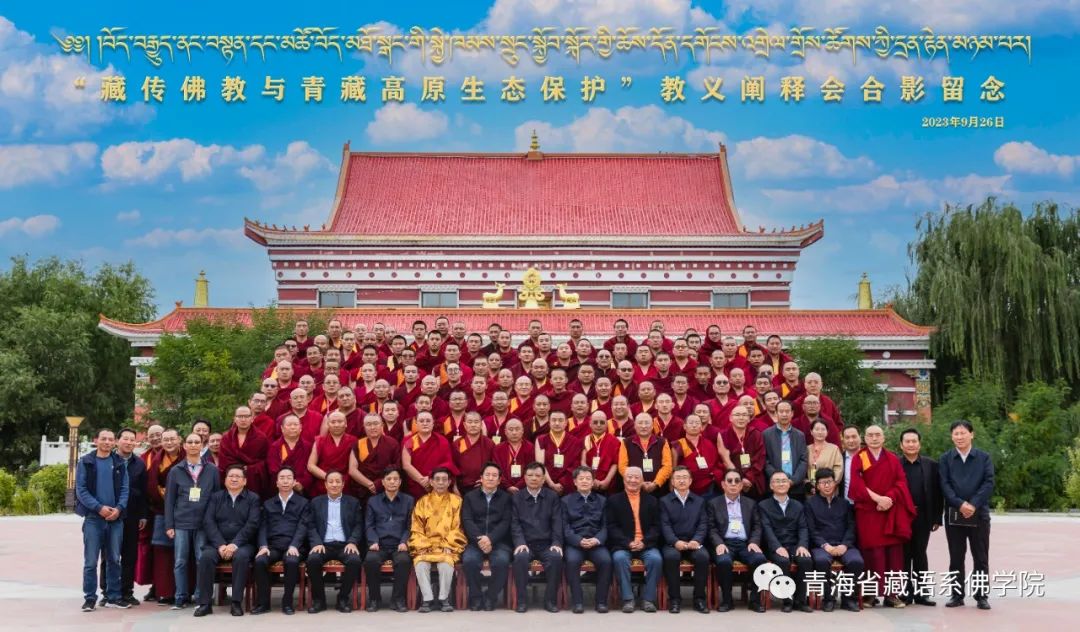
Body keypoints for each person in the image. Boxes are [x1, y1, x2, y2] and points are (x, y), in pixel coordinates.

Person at [847, 424, 916, 608]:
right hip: (868, 511)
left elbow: (901, 482)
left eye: (878, 434)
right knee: (871, 553)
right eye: (870, 435)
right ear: (865, 438)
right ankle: (869, 594)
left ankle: (892, 595)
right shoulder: (860, 457)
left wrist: (889, 498)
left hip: (889, 511)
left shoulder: (892, 458)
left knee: (893, 555)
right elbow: (857, 483)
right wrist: (878, 499)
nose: (874, 438)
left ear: (883, 438)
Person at [939, 420, 994, 610]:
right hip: (954, 514)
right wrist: (960, 503)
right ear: (951, 436)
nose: (959, 437)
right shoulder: (946, 459)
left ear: (972, 434)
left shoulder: (983, 457)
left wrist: (973, 504)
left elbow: (988, 482)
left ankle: (981, 596)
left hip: (979, 514)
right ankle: (957, 595)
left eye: (963, 433)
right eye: (956, 433)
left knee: (980, 557)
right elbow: (944, 484)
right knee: (956, 556)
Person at [193, 464, 261, 617]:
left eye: (238, 477)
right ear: (225, 480)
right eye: (231, 476)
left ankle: (236, 602)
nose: (234, 479)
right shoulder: (216, 497)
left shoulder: (253, 498)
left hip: (243, 544)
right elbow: (208, 522)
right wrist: (220, 544)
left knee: (241, 557)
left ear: (245, 481)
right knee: (206, 557)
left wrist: (234, 544)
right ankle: (205, 604)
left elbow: (252, 524)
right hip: (218, 543)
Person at [164, 433, 220, 609]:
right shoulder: (176, 470)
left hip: (204, 523)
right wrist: (169, 524)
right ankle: (180, 597)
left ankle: (200, 596)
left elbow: (217, 497)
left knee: (201, 560)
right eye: (190, 442)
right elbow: (169, 500)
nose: (194, 445)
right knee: (180, 561)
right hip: (181, 522)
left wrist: (214, 523)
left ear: (202, 445)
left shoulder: (212, 470)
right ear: (185, 446)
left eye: (197, 442)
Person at [76, 429, 130, 612]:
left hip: (115, 519)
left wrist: (119, 509)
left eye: (110, 439)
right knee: (91, 561)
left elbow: (125, 489)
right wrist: (99, 508)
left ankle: (113, 596)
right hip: (93, 518)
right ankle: (90, 598)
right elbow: (81, 490)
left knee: (114, 559)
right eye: (103, 439)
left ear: (114, 442)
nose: (107, 442)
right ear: (96, 440)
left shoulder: (119, 463)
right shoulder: (86, 462)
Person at [707, 469, 767, 613]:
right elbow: (711, 527)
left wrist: (754, 541)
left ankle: (755, 600)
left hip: (746, 543)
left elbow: (757, 526)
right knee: (723, 561)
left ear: (741, 485)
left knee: (759, 559)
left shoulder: (751, 503)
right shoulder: (713, 503)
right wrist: (719, 543)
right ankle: (727, 600)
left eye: (737, 481)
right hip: (725, 543)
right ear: (723, 484)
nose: (733, 484)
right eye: (729, 481)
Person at [253, 467, 311, 615]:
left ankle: (287, 603)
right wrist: (263, 546)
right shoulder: (268, 504)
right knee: (260, 560)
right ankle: (263, 603)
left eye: (289, 478)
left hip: (294, 546)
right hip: (272, 546)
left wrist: (294, 545)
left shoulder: (303, 503)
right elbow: (262, 527)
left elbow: (303, 527)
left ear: (294, 482)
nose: (285, 481)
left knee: (291, 561)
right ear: (277, 483)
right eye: (282, 478)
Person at [408, 467, 467, 612]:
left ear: (449, 482)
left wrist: (449, 545)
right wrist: (423, 546)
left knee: (446, 563)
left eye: (444, 480)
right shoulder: (422, 502)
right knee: (420, 563)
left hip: (447, 546)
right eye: (437, 479)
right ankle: (427, 599)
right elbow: (416, 527)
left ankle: (443, 599)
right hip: (426, 546)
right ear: (431, 482)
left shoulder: (457, 501)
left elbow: (458, 528)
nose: (441, 483)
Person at [804, 469, 863, 612]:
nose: (827, 485)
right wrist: (825, 546)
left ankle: (849, 599)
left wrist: (845, 545)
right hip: (822, 546)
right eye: (823, 483)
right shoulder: (810, 504)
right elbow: (812, 530)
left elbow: (851, 527)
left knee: (856, 561)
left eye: (829, 482)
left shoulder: (844, 503)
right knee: (821, 561)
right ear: (817, 486)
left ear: (835, 483)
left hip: (844, 544)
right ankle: (828, 599)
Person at [306, 470, 364, 613]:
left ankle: (342, 598)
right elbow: (310, 525)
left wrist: (352, 541)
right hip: (323, 545)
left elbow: (359, 525)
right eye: (331, 481)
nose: (334, 484)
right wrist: (317, 543)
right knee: (312, 560)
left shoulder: (353, 502)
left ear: (343, 484)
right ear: (325, 484)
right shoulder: (316, 502)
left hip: (345, 545)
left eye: (338, 481)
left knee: (354, 561)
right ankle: (319, 600)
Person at [606, 466, 662, 613]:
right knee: (619, 559)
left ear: (642, 480)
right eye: (629, 477)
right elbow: (612, 527)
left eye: (637, 477)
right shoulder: (614, 500)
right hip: (623, 545)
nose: (633, 480)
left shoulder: (652, 500)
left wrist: (644, 542)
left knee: (656, 559)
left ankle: (648, 599)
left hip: (646, 544)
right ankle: (628, 599)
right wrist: (628, 542)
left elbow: (656, 527)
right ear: (624, 480)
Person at [100, 428, 145, 608]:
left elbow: (143, 491)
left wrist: (143, 515)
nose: (128, 442)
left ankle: (126, 592)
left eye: (132, 440)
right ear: (117, 441)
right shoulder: (108, 460)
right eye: (125, 439)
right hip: (111, 514)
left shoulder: (139, 464)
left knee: (129, 555)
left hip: (131, 515)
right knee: (109, 555)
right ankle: (107, 592)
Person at [510, 462, 564, 613]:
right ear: (525, 477)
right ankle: (521, 601)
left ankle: (550, 601)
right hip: (526, 543)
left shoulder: (552, 497)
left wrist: (556, 543)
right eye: (530, 475)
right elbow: (514, 524)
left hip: (547, 544)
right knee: (520, 557)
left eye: (538, 475)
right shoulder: (517, 497)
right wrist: (520, 542)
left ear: (543, 479)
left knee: (555, 557)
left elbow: (557, 522)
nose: (534, 478)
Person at [757, 472, 814, 613]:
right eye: (777, 481)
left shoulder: (798, 505)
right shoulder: (763, 505)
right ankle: (787, 600)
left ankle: (800, 601)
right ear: (771, 486)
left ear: (789, 484)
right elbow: (766, 528)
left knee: (806, 560)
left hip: (794, 545)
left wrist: (802, 545)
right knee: (782, 561)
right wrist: (777, 547)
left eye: (784, 481)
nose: (781, 483)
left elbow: (803, 527)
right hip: (774, 546)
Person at [899, 427, 943, 606]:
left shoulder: (930, 464)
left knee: (920, 553)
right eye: (907, 441)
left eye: (914, 441)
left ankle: (922, 594)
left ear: (919, 444)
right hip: (901, 517)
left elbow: (938, 492)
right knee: (903, 555)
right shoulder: (895, 464)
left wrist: (937, 518)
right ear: (901, 445)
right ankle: (904, 593)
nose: (911, 444)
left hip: (923, 516)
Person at [461, 463, 513, 611]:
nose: (490, 478)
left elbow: (506, 522)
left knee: (502, 561)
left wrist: (490, 539)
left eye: (494, 476)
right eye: (487, 475)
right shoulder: (470, 497)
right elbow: (467, 520)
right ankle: (476, 597)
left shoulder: (506, 498)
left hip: (499, 541)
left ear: (499, 480)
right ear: (481, 478)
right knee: (469, 561)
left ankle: (491, 597)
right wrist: (480, 539)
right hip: (475, 541)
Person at [362, 468, 414, 613]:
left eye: (395, 479)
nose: (392, 482)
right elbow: (369, 525)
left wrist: (404, 541)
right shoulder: (373, 501)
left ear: (400, 482)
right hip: (379, 544)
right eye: (389, 479)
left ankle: (398, 599)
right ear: (383, 482)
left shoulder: (409, 501)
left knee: (404, 561)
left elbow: (410, 526)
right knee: (371, 560)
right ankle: (374, 599)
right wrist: (373, 541)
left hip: (399, 544)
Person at [659, 466, 710, 613]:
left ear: (691, 481)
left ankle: (699, 599)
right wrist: (675, 542)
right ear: (672, 481)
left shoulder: (699, 501)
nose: (681, 481)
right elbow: (665, 525)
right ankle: (675, 599)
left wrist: (697, 540)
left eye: (684, 477)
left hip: (694, 542)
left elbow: (703, 523)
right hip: (673, 543)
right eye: (678, 478)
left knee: (703, 557)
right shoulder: (664, 501)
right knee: (671, 557)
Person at [562, 466, 612, 614]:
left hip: (596, 543)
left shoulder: (602, 501)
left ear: (593, 482)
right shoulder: (565, 501)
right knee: (572, 561)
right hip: (575, 543)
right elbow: (564, 526)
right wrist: (578, 540)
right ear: (575, 482)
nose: (584, 481)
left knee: (606, 561)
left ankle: (601, 602)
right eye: (581, 479)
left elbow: (606, 526)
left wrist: (597, 539)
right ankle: (577, 602)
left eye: (588, 479)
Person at [218, 406, 270, 499]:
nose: (243, 419)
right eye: (240, 416)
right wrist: (238, 469)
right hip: (232, 477)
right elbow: (223, 461)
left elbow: (265, 462)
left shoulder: (261, 438)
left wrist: (250, 469)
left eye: (246, 416)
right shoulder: (226, 438)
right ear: (235, 419)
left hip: (253, 480)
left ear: (252, 418)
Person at [401, 412, 456, 499]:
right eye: (421, 421)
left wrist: (431, 478)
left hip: (437, 483)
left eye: (428, 421)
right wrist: (423, 481)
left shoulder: (442, 441)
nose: (425, 423)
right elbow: (406, 465)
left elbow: (447, 464)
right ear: (416, 423)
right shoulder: (409, 441)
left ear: (433, 423)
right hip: (416, 484)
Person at [348, 413, 401, 501]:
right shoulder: (358, 444)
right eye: (368, 424)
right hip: (363, 488)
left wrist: (380, 483)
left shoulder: (392, 443)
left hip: (387, 487)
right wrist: (370, 485)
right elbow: (352, 470)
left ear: (382, 425)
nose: (372, 427)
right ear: (364, 427)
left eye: (376, 423)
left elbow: (397, 466)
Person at [617, 413, 673, 495]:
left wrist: (656, 483)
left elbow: (667, 466)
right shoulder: (626, 443)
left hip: (658, 490)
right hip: (633, 488)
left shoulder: (663, 442)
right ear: (635, 426)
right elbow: (622, 467)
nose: (643, 426)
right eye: (640, 423)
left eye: (647, 423)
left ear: (652, 426)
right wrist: (639, 482)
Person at [762, 402, 808, 501]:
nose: (784, 414)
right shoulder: (766, 434)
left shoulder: (800, 435)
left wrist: (794, 480)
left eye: (787, 411)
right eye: (781, 411)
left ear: (792, 413)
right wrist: (778, 479)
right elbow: (765, 460)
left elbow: (803, 460)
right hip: (774, 486)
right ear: (776, 413)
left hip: (796, 487)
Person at [307, 411, 358, 498]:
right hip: (324, 483)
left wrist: (338, 480)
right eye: (333, 422)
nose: (336, 425)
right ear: (328, 424)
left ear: (346, 424)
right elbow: (311, 465)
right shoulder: (320, 441)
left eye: (340, 421)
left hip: (345, 484)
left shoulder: (353, 441)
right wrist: (329, 478)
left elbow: (353, 467)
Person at [493, 418, 533, 492]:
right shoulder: (498, 449)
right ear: (505, 432)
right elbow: (496, 469)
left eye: (517, 429)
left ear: (522, 431)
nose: (514, 432)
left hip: (525, 489)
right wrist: (508, 486)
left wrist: (518, 486)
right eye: (511, 429)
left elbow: (531, 469)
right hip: (503, 489)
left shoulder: (530, 447)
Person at [805, 419, 842, 493]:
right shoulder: (807, 449)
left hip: (829, 490)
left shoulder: (834, 448)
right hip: (811, 490)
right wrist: (808, 485)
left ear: (827, 432)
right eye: (817, 429)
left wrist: (829, 485)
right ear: (811, 432)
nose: (820, 432)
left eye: (823, 429)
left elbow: (838, 469)